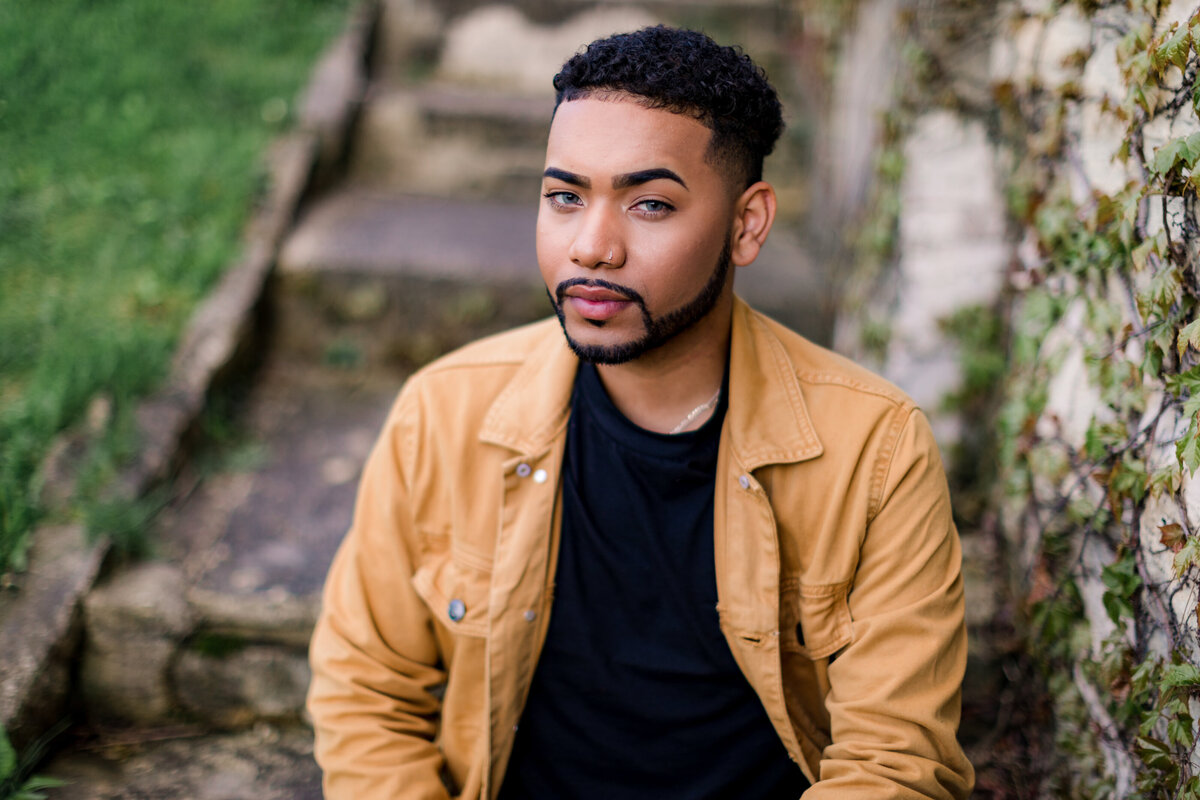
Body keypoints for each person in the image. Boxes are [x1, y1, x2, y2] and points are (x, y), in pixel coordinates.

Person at [307, 25, 974, 799]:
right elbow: (365, 694)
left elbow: (896, 764)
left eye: (650, 204)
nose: (592, 246)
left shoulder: (873, 448)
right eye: (564, 197)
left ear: (747, 224)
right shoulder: (445, 412)